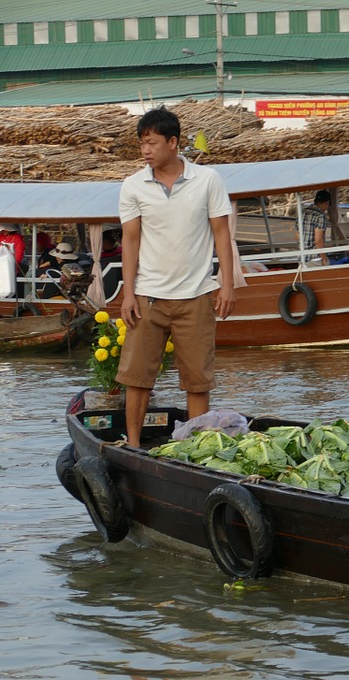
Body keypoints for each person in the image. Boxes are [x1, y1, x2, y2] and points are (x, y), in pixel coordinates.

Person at [115, 106, 235, 448]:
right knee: (136, 377)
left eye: (151, 143)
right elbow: (131, 241)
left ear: (173, 142)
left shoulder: (207, 180)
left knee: (197, 380)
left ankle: (195, 448)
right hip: (147, 296)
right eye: (141, 144)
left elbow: (222, 235)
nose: (145, 151)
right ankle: (134, 444)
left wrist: (226, 284)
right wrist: (128, 293)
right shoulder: (133, 185)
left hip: (197, 295)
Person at [302, 189, 330, 264]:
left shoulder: (302, 212)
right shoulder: (320, 216)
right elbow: (318, 240)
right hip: (315, 258)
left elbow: (297, 236)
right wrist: (324, 258)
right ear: (326, 203)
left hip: (302, 257)